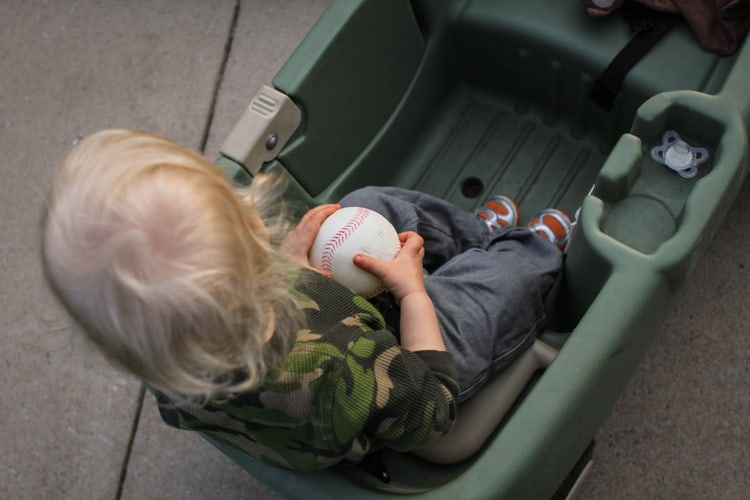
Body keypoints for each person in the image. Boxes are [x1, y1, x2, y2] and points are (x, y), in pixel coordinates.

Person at [41, 129, 568, 472]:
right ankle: (528, 246)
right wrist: (411, 293)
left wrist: (292, 265)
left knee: (364, 209)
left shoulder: (167, 375)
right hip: (403, 366)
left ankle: (474, 235)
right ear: (253, 223)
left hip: (339, 330)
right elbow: (433, 406)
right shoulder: (339, 375)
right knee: (504, 277)